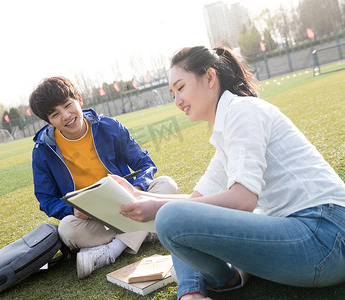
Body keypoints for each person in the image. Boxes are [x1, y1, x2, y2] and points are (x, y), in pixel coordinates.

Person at [111, 46, 345, 299]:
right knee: (172, 218)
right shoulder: (225, 131)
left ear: (210, 78)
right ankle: (202, 291)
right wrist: (137, 196)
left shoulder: (243, 112)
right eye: (172, 93)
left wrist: (157, 208)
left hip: (325, 235)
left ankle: (202, 288)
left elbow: (242, 200)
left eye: (181, 88)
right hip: (304, 237)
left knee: (169, 218)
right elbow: (194, 204)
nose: (177, 101)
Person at [28, 76, 178, 279]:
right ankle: (149, 232)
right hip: (94, 220)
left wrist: (138, 190)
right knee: (67, 229)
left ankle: (112, 250)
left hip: (131, 205)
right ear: (49, 122)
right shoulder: (43, 150)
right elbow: (46, 198)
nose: (65, 116)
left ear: (79, 99)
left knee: (166, 185)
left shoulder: (110, 127)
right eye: (55, 114)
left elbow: (145, 164)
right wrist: (73, 210)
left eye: (67, 105)